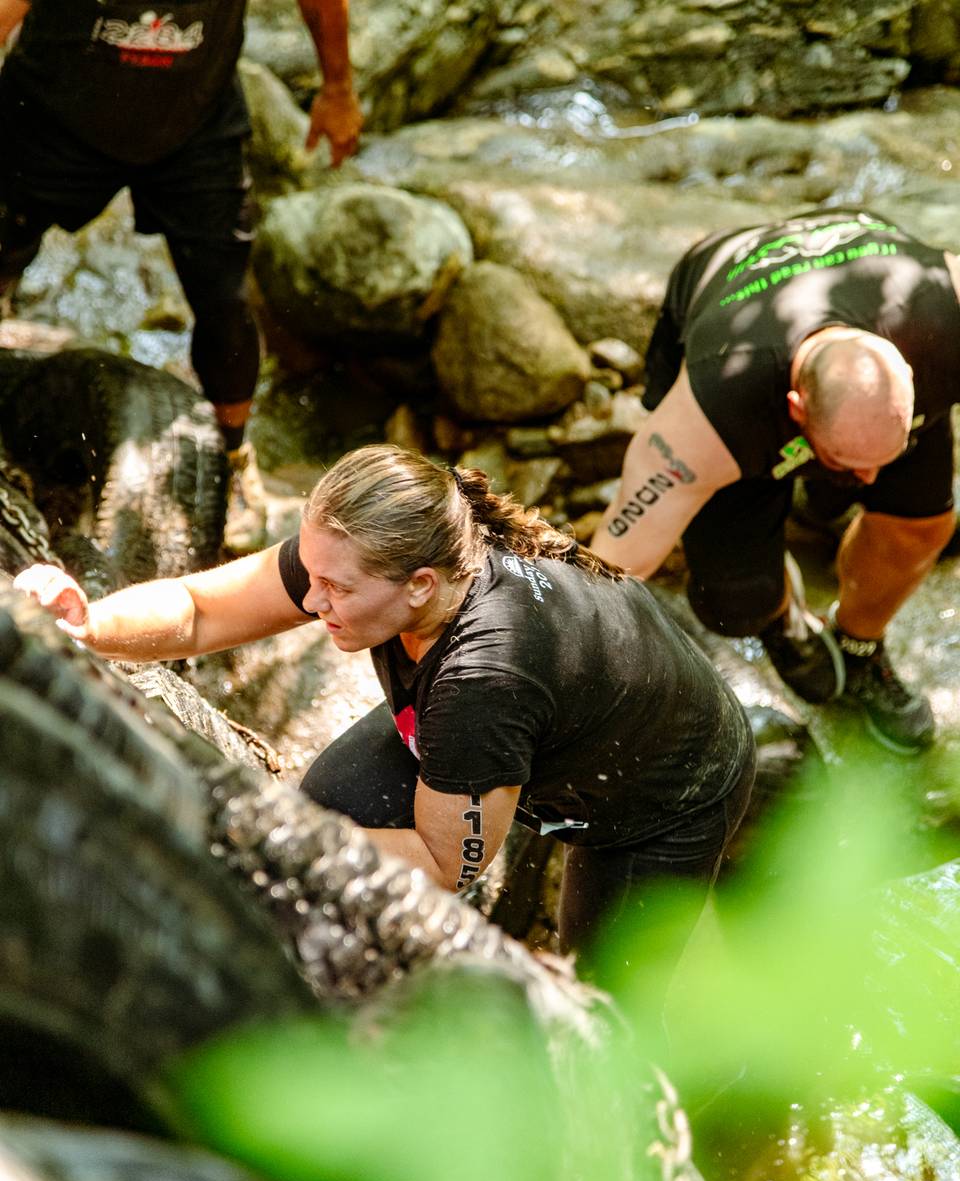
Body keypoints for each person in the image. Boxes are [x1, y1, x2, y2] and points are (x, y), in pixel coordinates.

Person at [14, 443, 756, 994]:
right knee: (333, 806)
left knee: (613, 1002)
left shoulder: (481, 678)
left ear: (419, 587)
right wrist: (84, 626)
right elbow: (202, 612)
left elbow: (450, 864)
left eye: (333, 589)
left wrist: (245, 844)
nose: (310, 603)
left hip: (663, 796)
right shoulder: (391, 542)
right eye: (312, 575)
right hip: (562, 716)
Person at [0, 0, 363, 553]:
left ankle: (236, 458)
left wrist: (338, 89)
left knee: (224, 303)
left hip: (194, 126)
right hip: (52, 118)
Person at [592, 208, 959, 753]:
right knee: (733, 604)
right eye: (849, 461)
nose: (870, 480)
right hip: (736, 344)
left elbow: (876, 456)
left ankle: (859, 647)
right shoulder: (708, 416)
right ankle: (785, 613)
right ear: (797, 407)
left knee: (923, 525)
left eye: (886, 455)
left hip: (872, 385)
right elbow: (608, 574)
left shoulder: (940, 320)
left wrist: (870, 454)